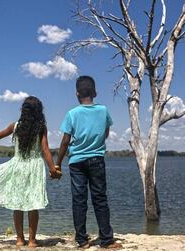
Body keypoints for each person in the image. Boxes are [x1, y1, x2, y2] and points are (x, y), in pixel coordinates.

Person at [0, 96, 61, 248]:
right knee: (33, 204)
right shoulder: (41, 127)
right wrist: (52, 168)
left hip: (18, 165)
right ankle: (32, 241)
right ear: (39, 111)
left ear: (23, 110)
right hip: (34, 167)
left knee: (17, 202)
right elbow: (45, 149)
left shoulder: (15, 126)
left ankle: (19, 239)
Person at [55, 76, 122, 249]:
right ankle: (106, 240)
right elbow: (105, 133)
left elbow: (64, 141)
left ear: (77, 94)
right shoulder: (103, 110)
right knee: (100, 199)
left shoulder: (72, 114)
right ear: (95, 93)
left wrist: (58, 162)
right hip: (97, 160)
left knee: (79, 200)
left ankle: (82, 240)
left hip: (76, 162)